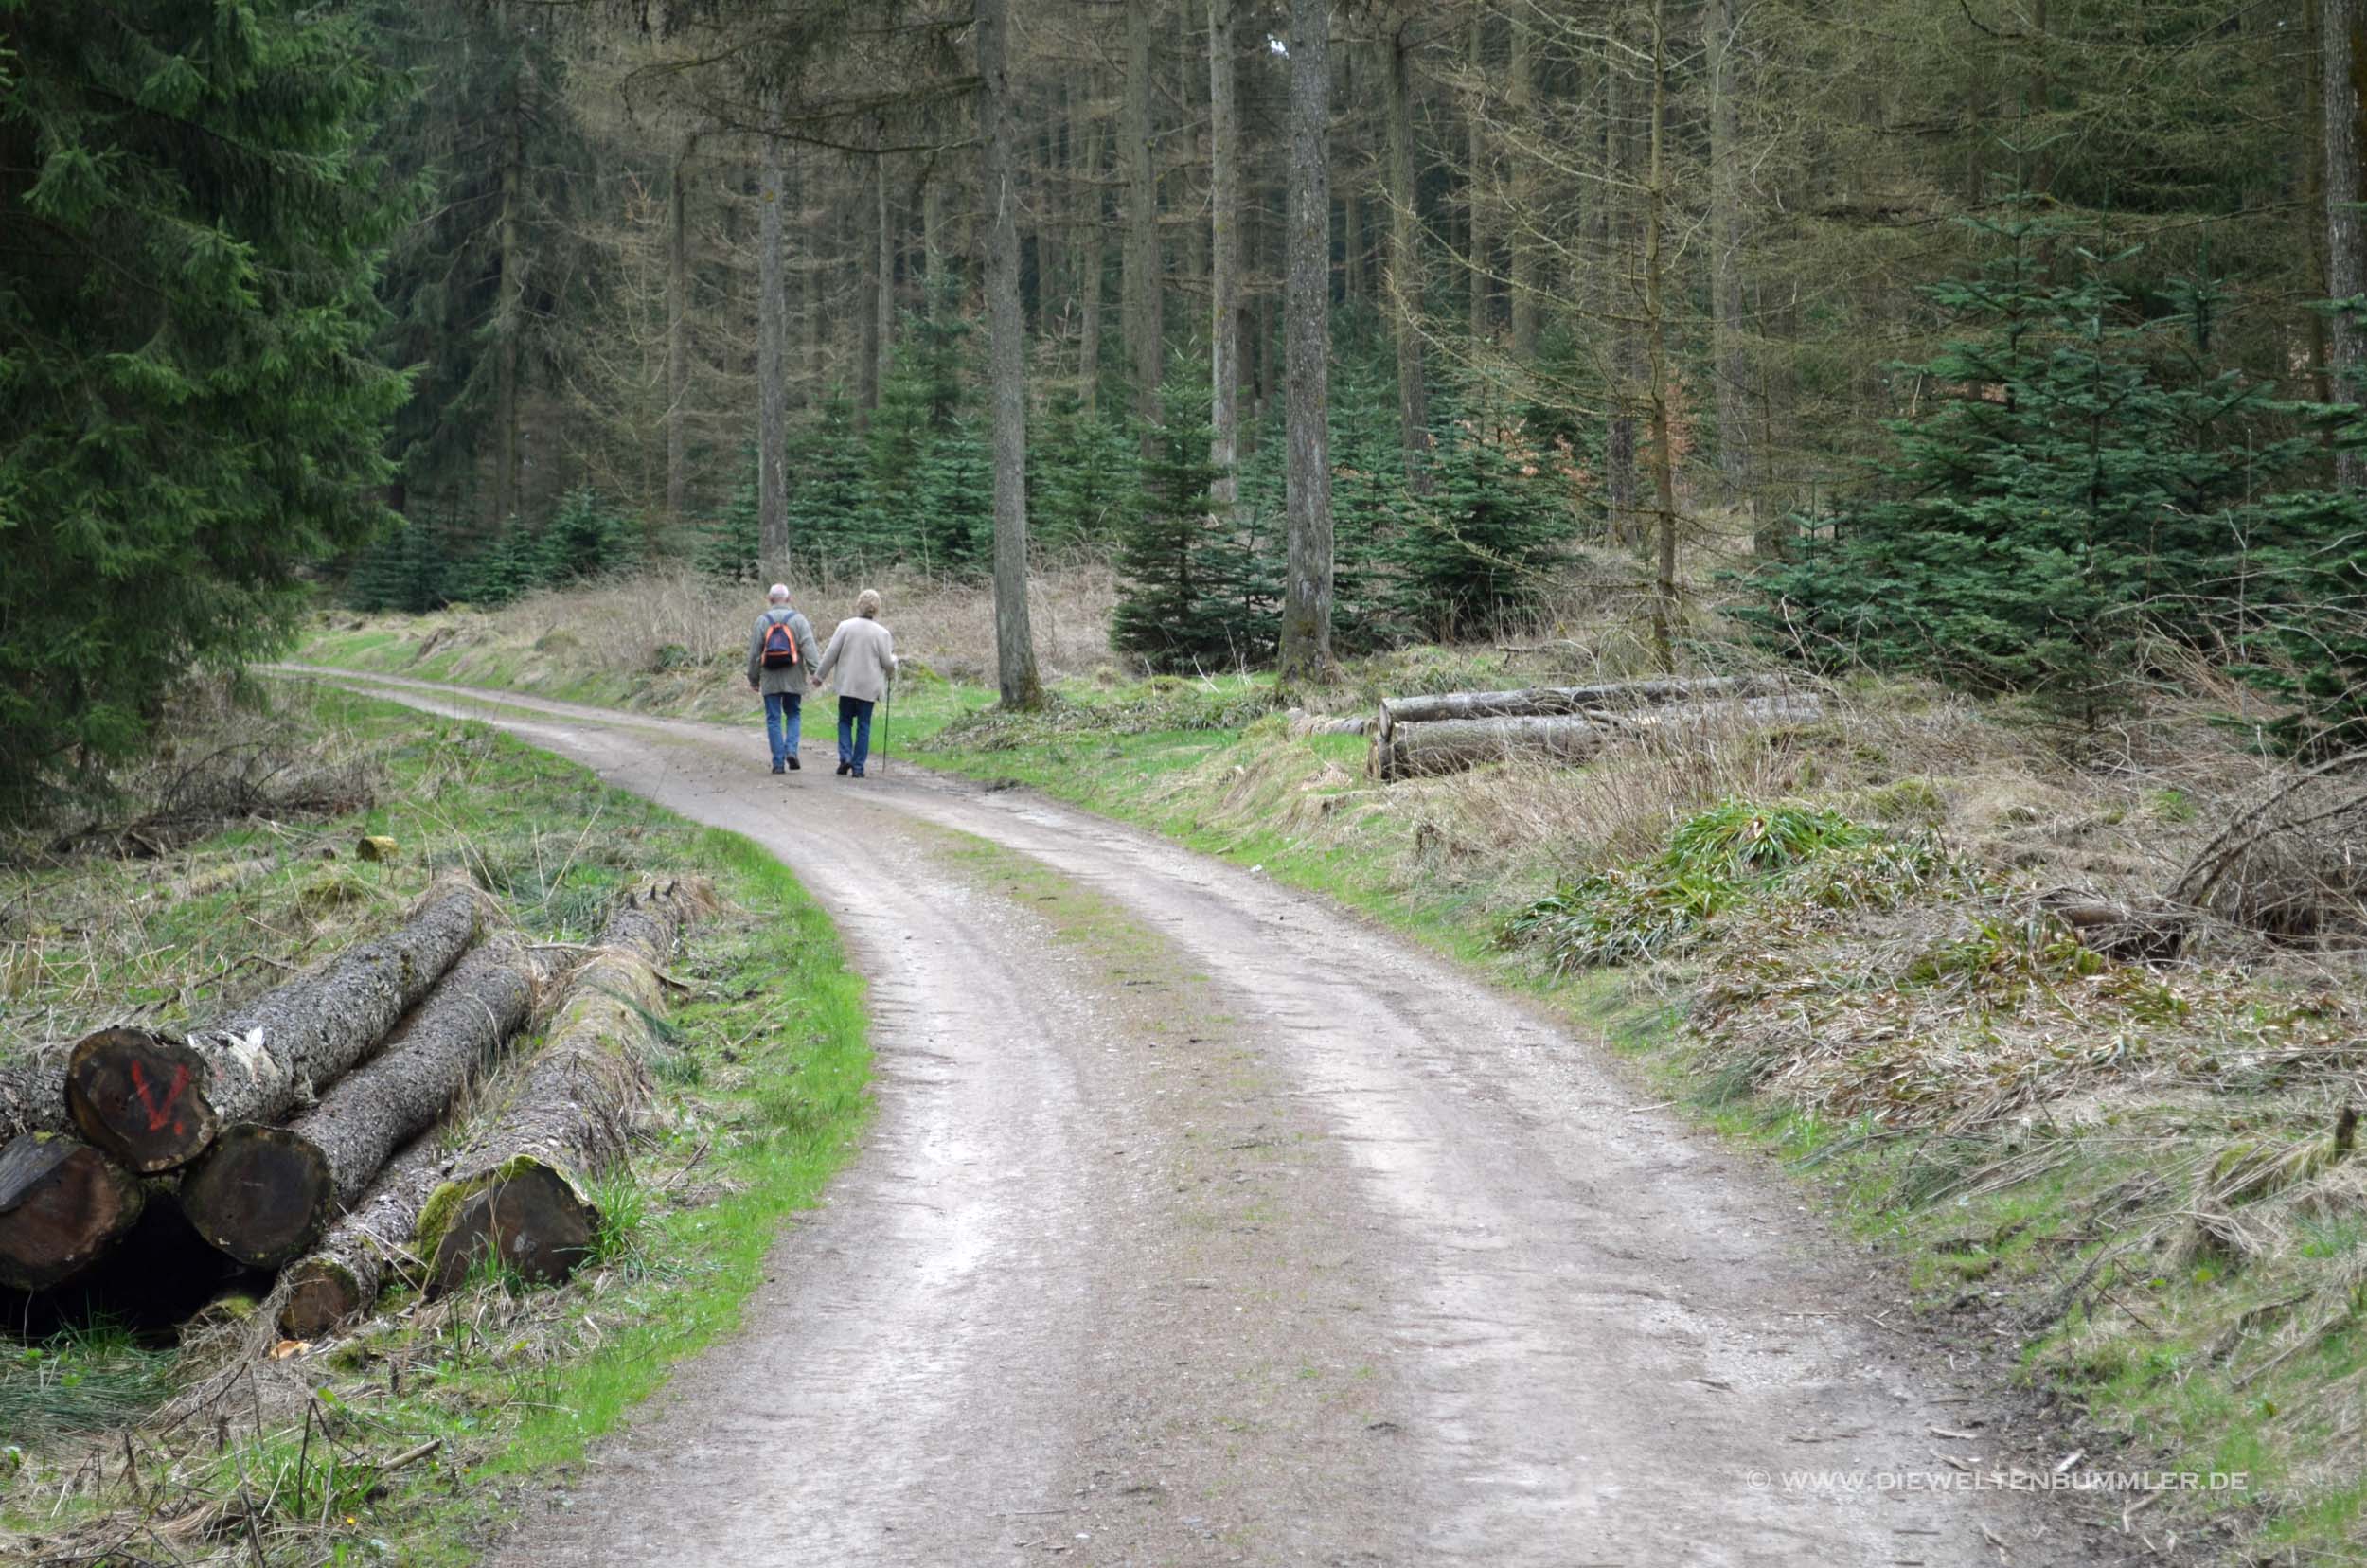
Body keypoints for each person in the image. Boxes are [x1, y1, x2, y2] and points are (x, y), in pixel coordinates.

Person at [813, 588, 898, 777]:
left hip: (847, 685)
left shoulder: (845, 627)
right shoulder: (882, 633)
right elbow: (887, 663)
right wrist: (895, 662)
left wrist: (819, 676)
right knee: (864, 725)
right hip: (869, 687)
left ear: (858, 604)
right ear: (877, 609)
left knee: (844, 721)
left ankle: (845, 757)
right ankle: (858, 767)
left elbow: (830, 654)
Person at [745, 583, 818, 774]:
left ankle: (778, 763)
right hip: (794, 677)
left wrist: (753, 679)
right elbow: (809, 648)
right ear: (789, 598)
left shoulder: (762, 621)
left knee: (773, 719)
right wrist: (815, 673)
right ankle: (791, 751)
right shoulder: (799, 620)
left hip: (770, 678)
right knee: (793, 714)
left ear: (769, 599)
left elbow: (754, 653)